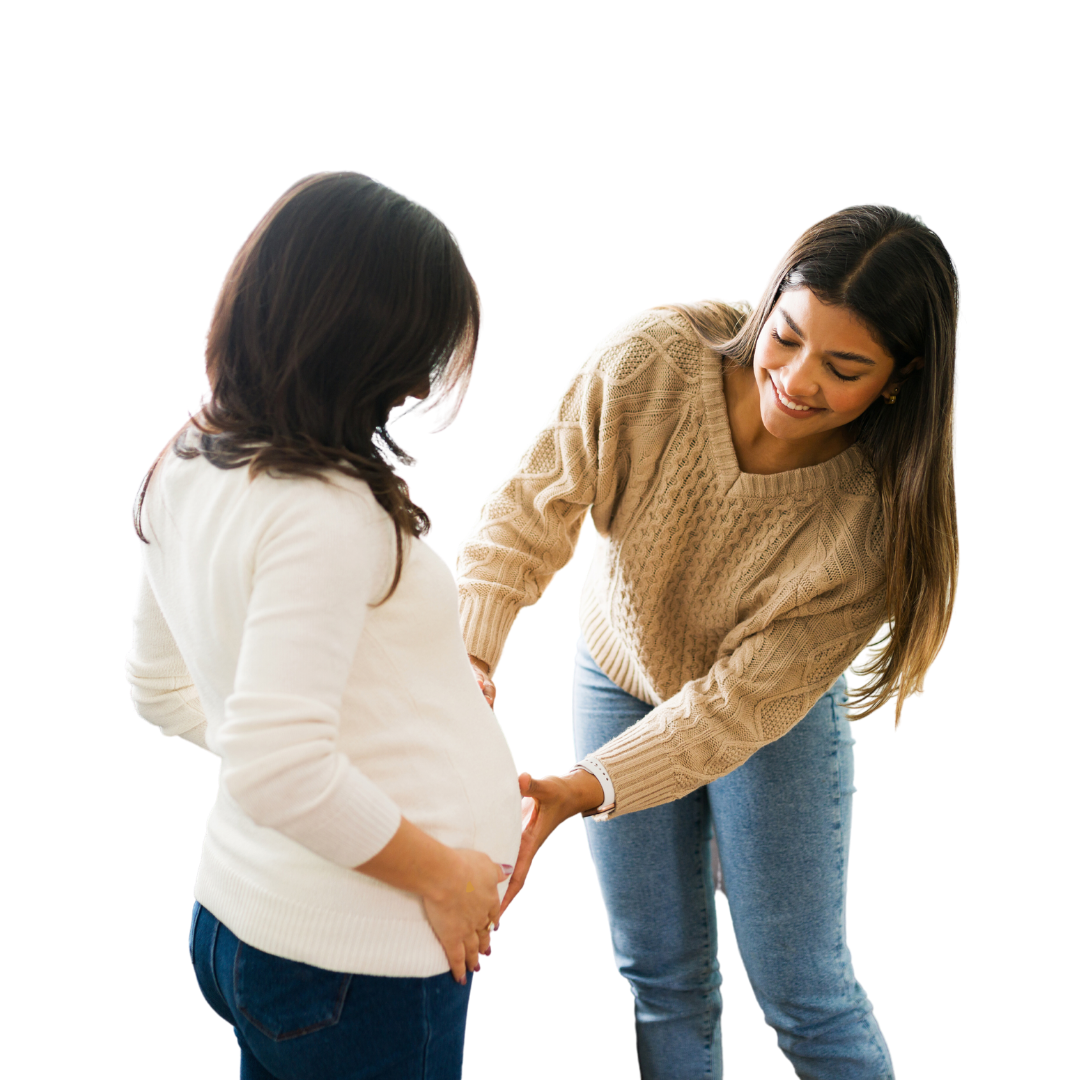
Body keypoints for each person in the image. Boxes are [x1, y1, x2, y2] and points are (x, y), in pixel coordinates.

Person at [125, 174, 960, 1079]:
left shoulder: (191, 468)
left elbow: (729, 710)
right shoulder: (651, 362)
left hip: (764, 715)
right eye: (785, 337)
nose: (796, 380)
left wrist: (563, 790)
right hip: (399, 907)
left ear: (901, 378)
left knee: (805, 992)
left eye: (843, 369)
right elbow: (521, 522)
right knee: (661, 976)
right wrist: (455, 690)